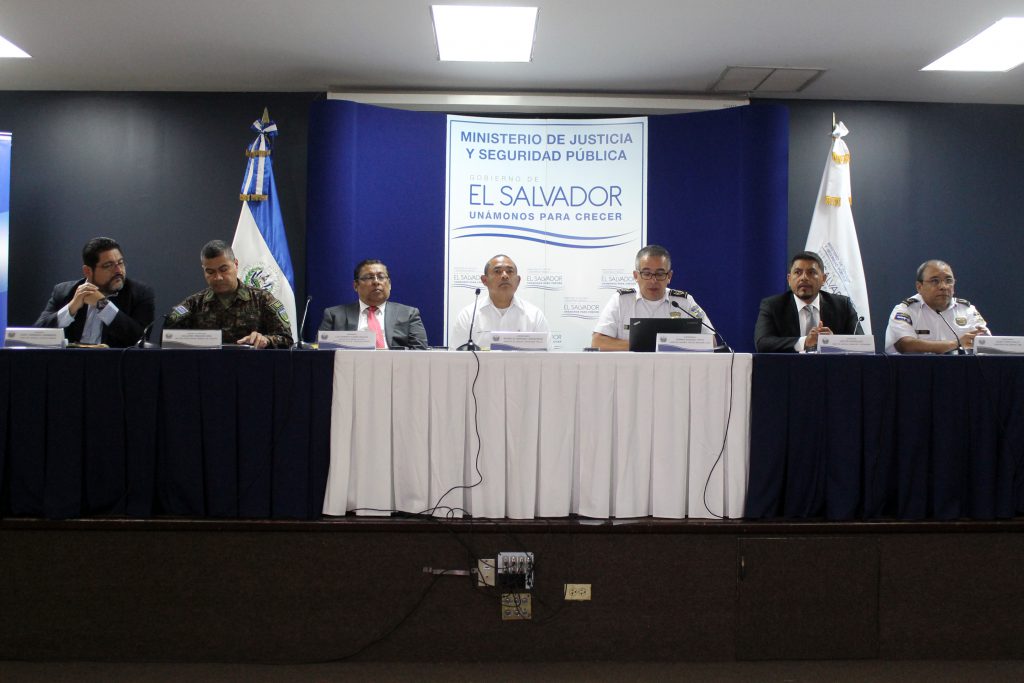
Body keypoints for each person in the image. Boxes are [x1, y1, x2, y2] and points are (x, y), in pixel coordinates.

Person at [164, 240, 293, 348]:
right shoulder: (194, 304)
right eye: (210, 272)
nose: (218, 277)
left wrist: (266, 340)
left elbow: (287, 340)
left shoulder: (262, 300)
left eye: (224, 269)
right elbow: (167, 339)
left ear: (235, 264)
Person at [34, 236, 155, 347]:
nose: (118, 270)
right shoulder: (64, 291)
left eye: (120, 263)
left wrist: (103, 305)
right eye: (108, 265)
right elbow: (36, 335)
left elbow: (140, 339)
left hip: (114, 361)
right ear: (87, 271)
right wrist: (71, 308)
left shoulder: (140, 294)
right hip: (70, 360)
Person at [591, 244, 714, 351]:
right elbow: (598, 342)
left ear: (669, 276)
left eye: (660, 274)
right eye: (646, 273)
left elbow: (711, 341)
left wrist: (673, 345)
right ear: (636, 276)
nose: (653, 280)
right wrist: (645, 345)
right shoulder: (621, 300)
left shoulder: (684, 302)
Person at [754, 250, 863, 353]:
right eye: (797, 272)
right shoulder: (773, 306)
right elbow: (762, 343)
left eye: (811, 272)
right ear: (789, 279)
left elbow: (862, 344)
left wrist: (833, 342)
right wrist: (805, 342)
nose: (804, 278)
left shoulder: (842, 305)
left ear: (823, 279)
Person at [884, 259, 989, 354]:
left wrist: (984, 340)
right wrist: (956, 343)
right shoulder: (906, 310)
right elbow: (905, 345)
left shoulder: (967, 310)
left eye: (949, 280)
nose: (943, 286)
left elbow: (986, 345)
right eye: (935, 281)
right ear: (919, 287)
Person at [318, 259, 428, 349]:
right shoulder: (334, 315)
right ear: (355, 285)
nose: (376, 282)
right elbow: (321, 354)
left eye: (381, 277)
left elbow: (420, 352)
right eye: (369, 277)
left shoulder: (408, 314)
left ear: (389, 284)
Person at [451, 254, 549, 348]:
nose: (505, 276)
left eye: (510, 271)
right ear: (484, 280)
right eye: (497, 271)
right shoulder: (468, 316)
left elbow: (548, 355)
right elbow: (456, 355)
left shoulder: (534, 315)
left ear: (518, 281)